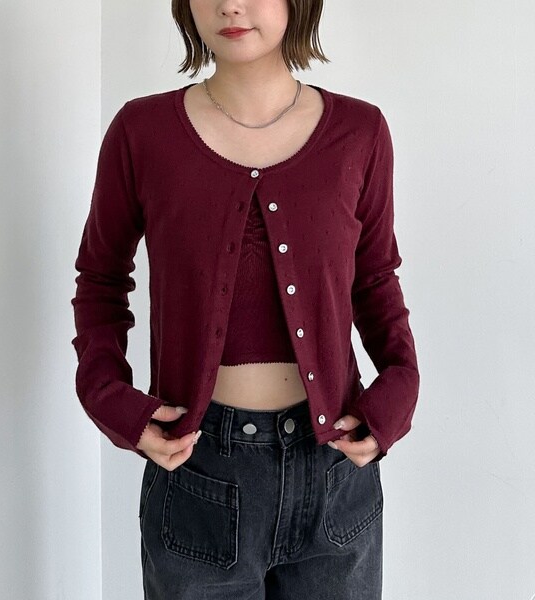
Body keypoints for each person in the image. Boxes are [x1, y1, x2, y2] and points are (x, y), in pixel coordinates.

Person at [70, 0, 420, 597]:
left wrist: (401, 384)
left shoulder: (359, 131)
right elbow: (101, 279)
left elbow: (375, 277)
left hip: (334, 469)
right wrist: (108, 396)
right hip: (197, 468)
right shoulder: (142, 131)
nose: (230, 5)